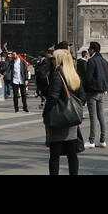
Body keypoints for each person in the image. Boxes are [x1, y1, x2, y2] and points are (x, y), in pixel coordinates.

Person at [37, 47, 85, 175]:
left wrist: (46, 113)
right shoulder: (74, 74)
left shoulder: (58, 74)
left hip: (58, 118)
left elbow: (53, 97)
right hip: (71, 119)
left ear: (58, 60)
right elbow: (82, 97)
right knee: (72, 154)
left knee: (55, 155)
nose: (52, 60)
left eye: (54, 58)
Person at [83, 42, 108, 148]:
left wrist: (85, 91)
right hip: (101, 91)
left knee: (93, 117)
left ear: (93, 50)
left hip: (92, 92)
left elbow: (88, 78)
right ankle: (103, 140)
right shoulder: (104, 61)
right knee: (101, 116)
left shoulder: (91, 61)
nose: (88, 51)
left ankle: (91, 141)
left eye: (89, 49)